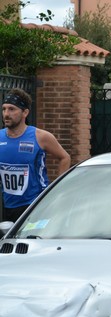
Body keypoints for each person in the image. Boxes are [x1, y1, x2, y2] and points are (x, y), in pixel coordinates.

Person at [0, 88, 71, 222]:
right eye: (4, 109)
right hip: (8, 206)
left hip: (36, 205)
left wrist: (56, 190)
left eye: (11, 109)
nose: (6, 114)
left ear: (25, 112)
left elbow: (65, 158)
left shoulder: (40, 136)